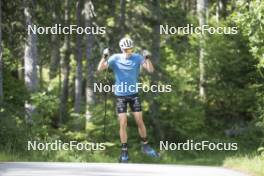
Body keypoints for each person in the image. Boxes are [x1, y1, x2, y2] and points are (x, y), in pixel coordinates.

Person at [97, 37, 159, 163]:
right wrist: (104, 56)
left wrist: (147, 58)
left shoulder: (137, 57)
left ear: (132, 48)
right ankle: (124, 152)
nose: (127, 51)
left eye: (129, 49)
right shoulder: (114, 58)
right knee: (123, 122)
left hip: (134, 94)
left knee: (139, 120)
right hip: (120, 95)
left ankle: (145, 146)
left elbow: (151, 70)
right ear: (122, 49)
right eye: (125, 49)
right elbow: (100, 69)